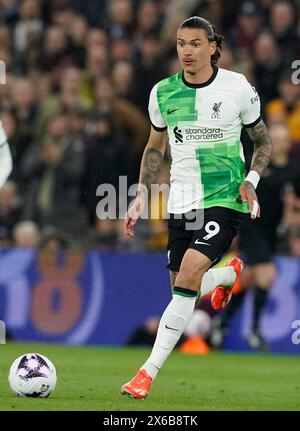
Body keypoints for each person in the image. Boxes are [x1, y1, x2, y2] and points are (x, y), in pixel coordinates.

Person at [121, 16, 272, 399]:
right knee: (180, 289)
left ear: (212, 47)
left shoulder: (237, 87)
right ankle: (226, 276)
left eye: (194, 43)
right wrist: (141, 194)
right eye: (180, 43)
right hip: (181, 201)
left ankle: (146, 373)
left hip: (225, 198)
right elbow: (155, 148)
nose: (186, 51)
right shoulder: (163, 93)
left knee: (187, 276)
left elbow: (263, 143)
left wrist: (249, 183)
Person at [210, 124, 300, 351]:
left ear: (288, 144)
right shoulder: (257, 164)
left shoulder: (293, 170)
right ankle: (255, 330)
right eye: (274, 138)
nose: (277, 142)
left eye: (282, 139)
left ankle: (222, 323)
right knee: (267, 274)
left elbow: (295, 201)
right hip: (251, 225)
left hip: (272, 232)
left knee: (249, 279)